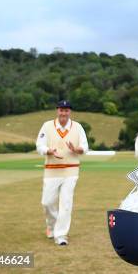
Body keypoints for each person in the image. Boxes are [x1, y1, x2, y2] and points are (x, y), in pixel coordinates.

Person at [36, 100, 89, 246]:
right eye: (61, 110)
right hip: (52, 170)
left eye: (66, 110)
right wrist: (49, 151)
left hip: (71, 170)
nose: (64, 113)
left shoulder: (77, 127)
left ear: (70, 112)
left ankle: (61, 235)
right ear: (57, 111)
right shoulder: (47, 126)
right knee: (47, 202)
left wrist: (76, 149)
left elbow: (85, 147)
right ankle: (52, 226)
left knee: (66, 203)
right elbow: (39, 145)